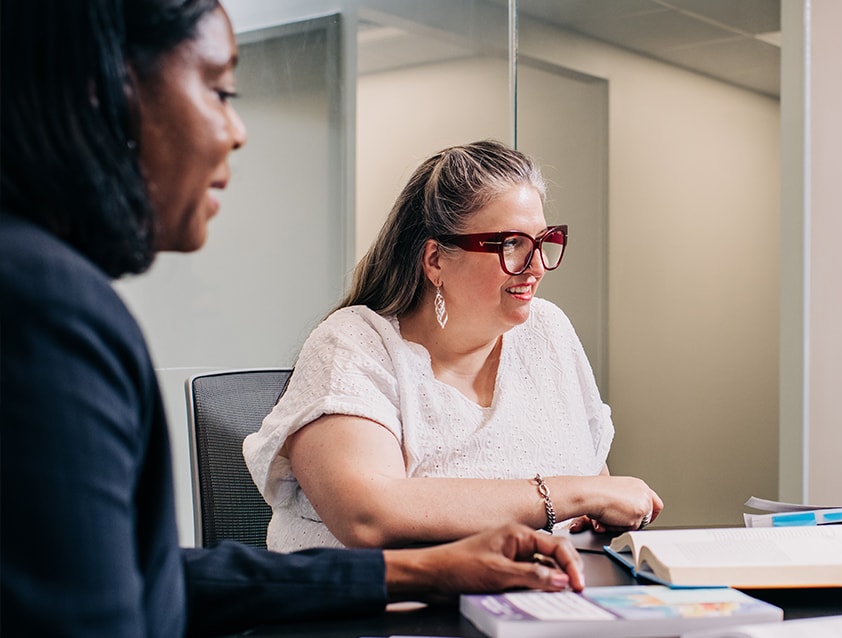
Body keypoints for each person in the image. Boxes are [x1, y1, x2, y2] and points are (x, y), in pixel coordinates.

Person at [0, 2, 584, 636]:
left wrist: (431, 570)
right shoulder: (46, 308)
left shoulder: (42, 288)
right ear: (105, 94)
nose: (237, 130)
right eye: (220, 90)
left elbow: (153, 577)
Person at [243, 141, 664, 552]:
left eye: (542, 240)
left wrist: (598, 507)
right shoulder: (354, 344)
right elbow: (368, 517)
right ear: (435, 260)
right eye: (511, 244)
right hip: (378, 616)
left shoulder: (548, 331)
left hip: (537, 606)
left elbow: (597, 487)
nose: (535, 266)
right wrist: (568, 495)